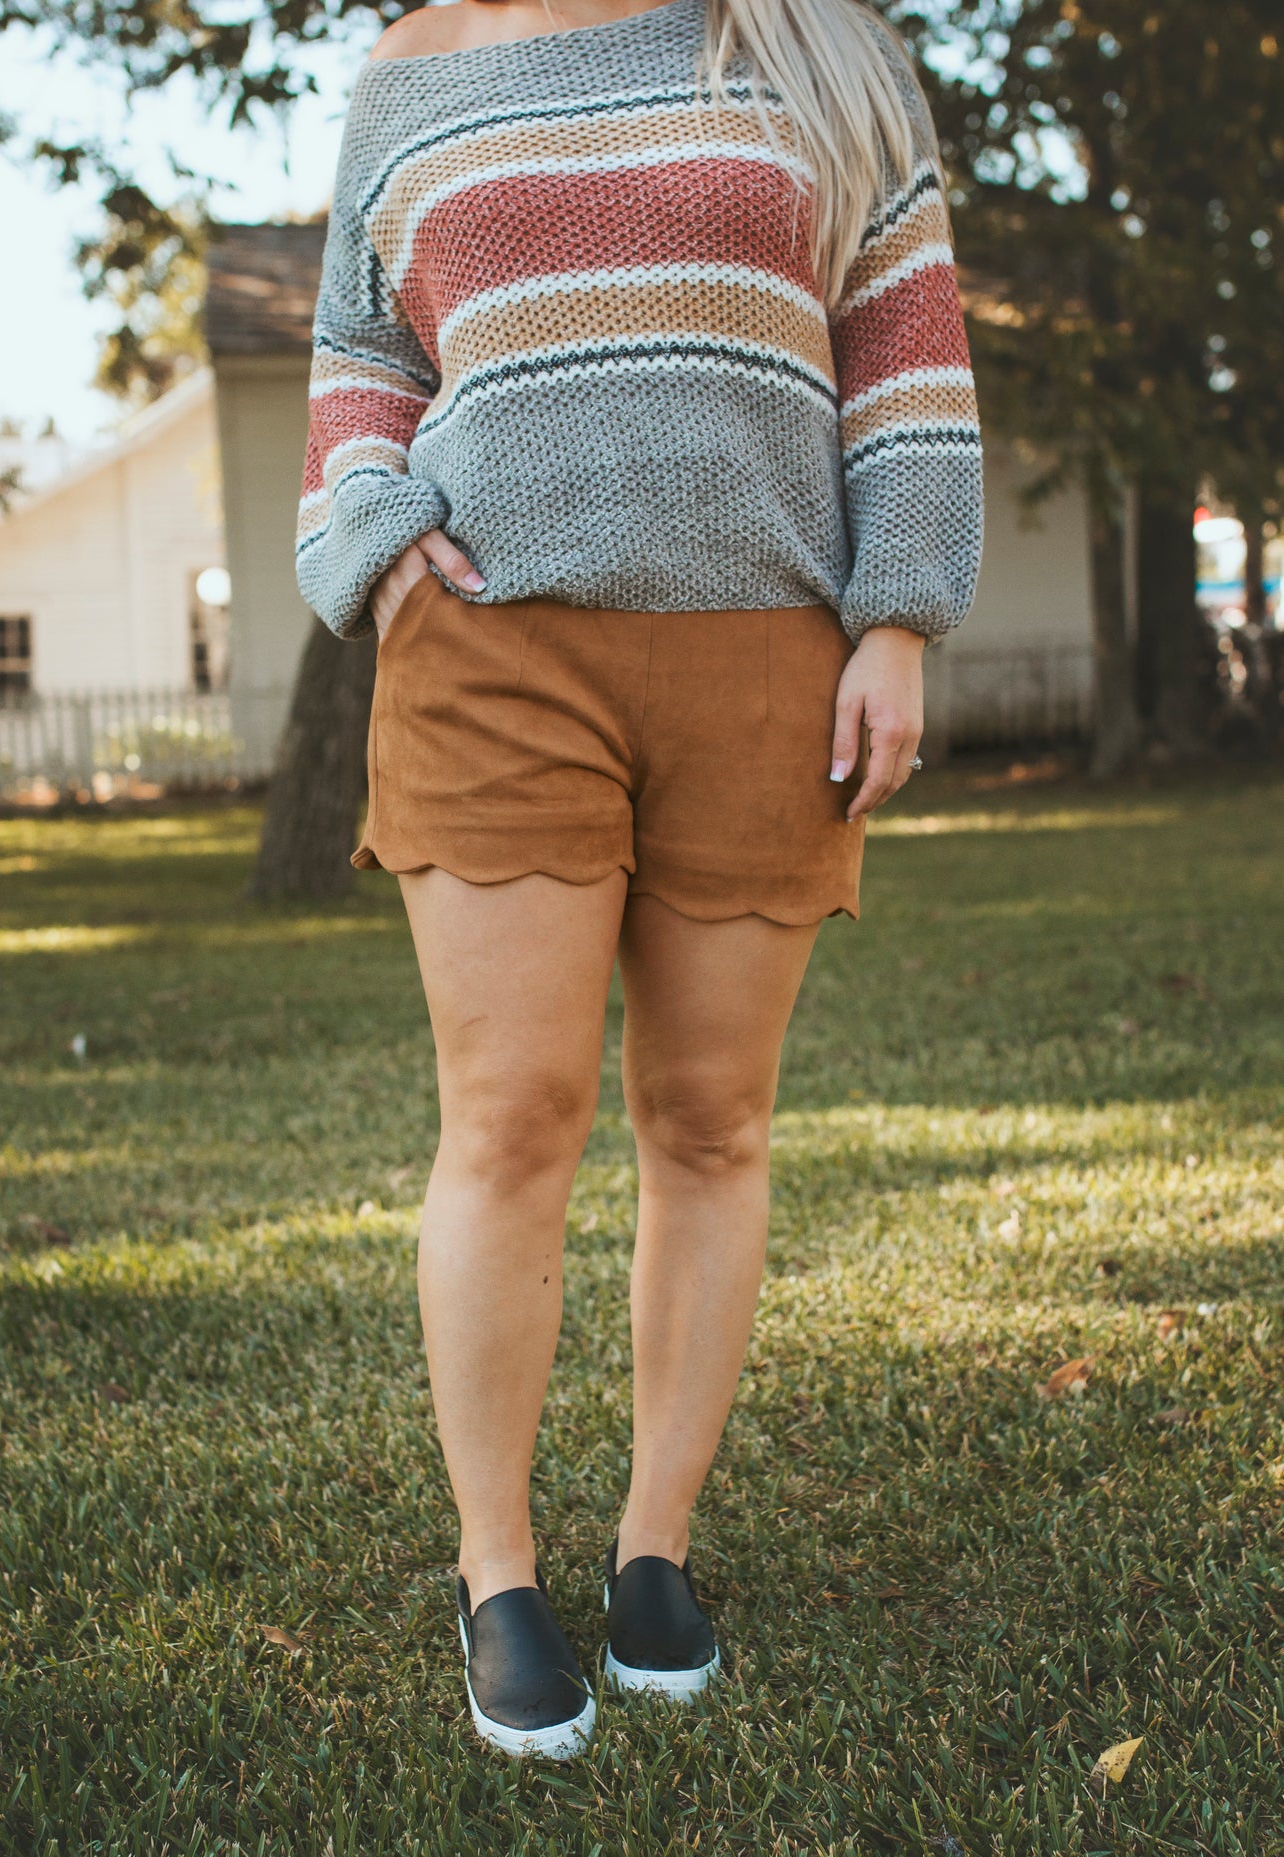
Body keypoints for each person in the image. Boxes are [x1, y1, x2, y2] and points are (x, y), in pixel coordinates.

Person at [297, 0, 982, 1757]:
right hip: (493, 652)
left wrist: (895, 612)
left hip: (765, 655)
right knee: (511, 1112)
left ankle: (654, 1549)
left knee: (709, 1117)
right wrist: (375, 551)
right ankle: (498, 1572)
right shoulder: (412, 66)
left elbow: (901, 344)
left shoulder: (814, 46)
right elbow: (358, 361)